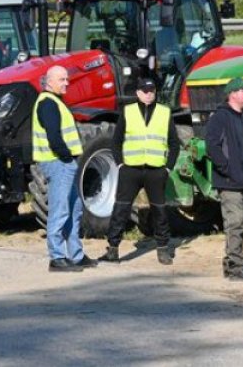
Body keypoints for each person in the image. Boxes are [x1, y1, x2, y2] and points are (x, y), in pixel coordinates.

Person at [100, 78, 180, 265]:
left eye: (152, 90)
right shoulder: (127, 112)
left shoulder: (164, 112)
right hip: (131, 170)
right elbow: (116, 141)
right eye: (145, 90)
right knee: (120, 209)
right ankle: (112, 250)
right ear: (137, 93)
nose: (149, 93)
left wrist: (167, 168)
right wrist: (120, 164)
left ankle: (162, 249)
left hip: (155, 170)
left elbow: (174, 144)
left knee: (160, 211)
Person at [32, 65, 97, 272]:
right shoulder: (49, 104)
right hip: (58, 163)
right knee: (60, 210)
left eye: (67, 79)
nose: (66, 83)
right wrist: (66, 157)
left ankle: (76, 255)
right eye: (62, 80)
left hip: (63, 163)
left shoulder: (54, 102)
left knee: (74, 208)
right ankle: (57, 257)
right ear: (49, 81)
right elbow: (54, 137)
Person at [205, 77, 243, 281]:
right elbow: (212, 146)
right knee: (235, 222)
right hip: (230, 182)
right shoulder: (220, 117)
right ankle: (235, 267)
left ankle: (233, 260)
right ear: (232, 94)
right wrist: (227, 169)